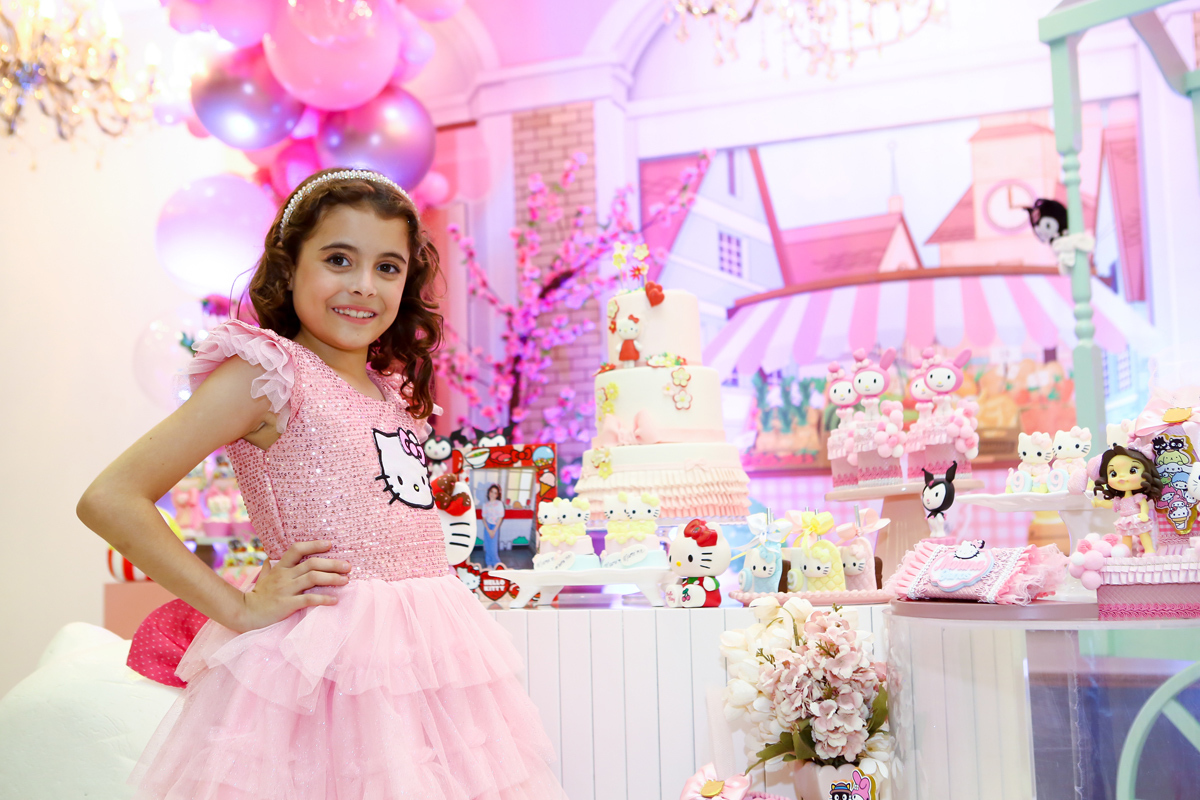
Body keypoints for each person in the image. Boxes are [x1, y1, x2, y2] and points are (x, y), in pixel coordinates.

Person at [77, 169, 565, 799]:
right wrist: (238, 608)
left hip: (425, 662)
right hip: (320, 676)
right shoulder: (267, 375)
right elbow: (111, 498)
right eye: (339, 259)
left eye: (387, 267)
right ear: (288, 269)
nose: (363, 285)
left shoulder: (391, 391)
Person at [480, 483, 506, 568]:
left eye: (495, 493)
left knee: (493, 547)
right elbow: (483, 518)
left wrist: (494, 530)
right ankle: (489, 563)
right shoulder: (485, 504)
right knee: (487, 546)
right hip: (487, 526)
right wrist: (488, 529)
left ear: (497, 495)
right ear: (489, 492)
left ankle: (496, 563)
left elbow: (500, 518)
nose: (493, 494)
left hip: (495, 526)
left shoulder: (499, 503)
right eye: (492, 491)